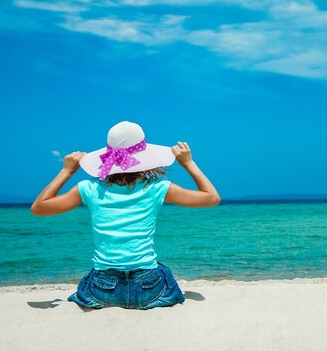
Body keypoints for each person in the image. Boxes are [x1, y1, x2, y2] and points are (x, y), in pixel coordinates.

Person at [30, 120, 221, 310]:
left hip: (103, 287)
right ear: (146, 157)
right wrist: (188, 163)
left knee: (89, 280)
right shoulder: (157, 188)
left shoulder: (88, 189)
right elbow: (212, 198)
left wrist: (66, 170)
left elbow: (39, 208)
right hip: (148, 287)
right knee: (162, 271)